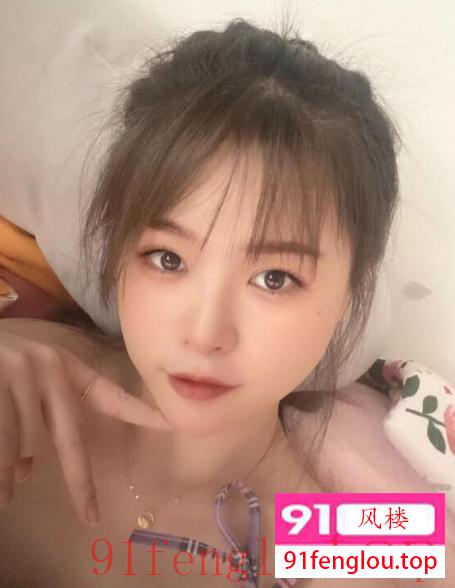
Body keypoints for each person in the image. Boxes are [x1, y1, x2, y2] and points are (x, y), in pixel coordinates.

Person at [0, 16, 450, 587]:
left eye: (274, 278)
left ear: (350, 295)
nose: (205, 333)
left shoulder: (347, 541)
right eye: (168, 259)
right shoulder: (15, 386)